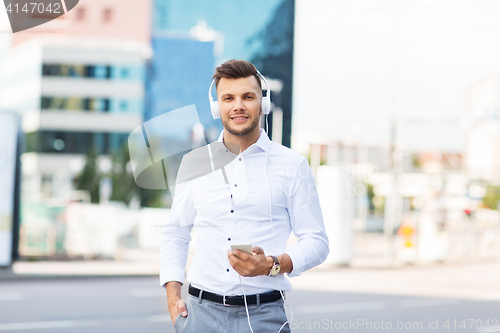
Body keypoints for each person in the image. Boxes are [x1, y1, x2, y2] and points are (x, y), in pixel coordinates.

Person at [160, 59, 329, 333]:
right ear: (217, 107)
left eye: (247, 97)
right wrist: (172, 295)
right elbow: (175, 234)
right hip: (199, 316)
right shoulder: (194, 163)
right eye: (228, 98)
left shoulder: (292, 165)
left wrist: (272, 265)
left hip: (264, 317)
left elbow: (317, 241)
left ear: (263, 103)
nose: (238, 105)